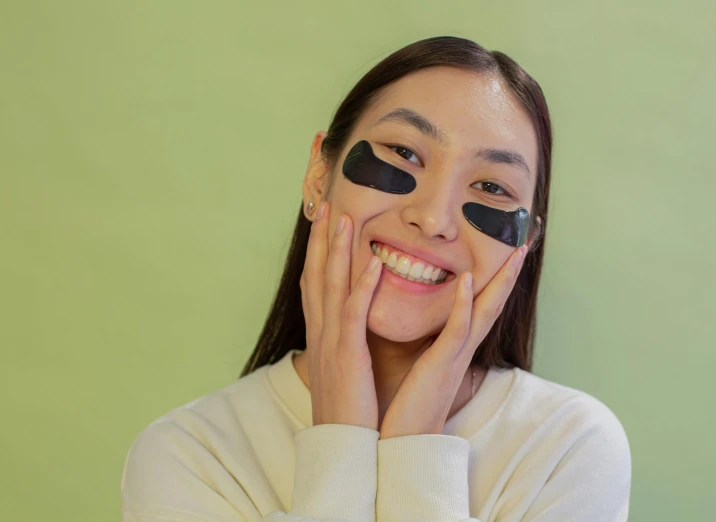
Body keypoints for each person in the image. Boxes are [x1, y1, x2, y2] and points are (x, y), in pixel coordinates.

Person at [120, 36, 632, 522]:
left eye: (493, 186)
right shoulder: (190, 457)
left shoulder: (567, 450)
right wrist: (342, 441)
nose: (433, 219)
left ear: (526, 243)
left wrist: (417, 445)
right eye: (404, 153)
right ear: (320, 175)